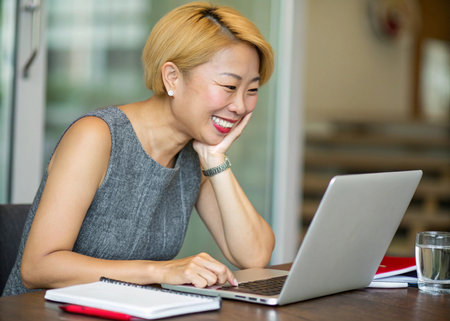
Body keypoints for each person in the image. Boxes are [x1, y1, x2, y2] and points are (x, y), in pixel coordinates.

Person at [2, 1, 275, 296]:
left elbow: (254, 257)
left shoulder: (196, 155)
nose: (240, 106)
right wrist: (158, 271)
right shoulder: (98, 136)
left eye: (252, 90)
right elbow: (37, 268)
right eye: (229, 87)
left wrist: (216, 159)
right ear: (172, 77)